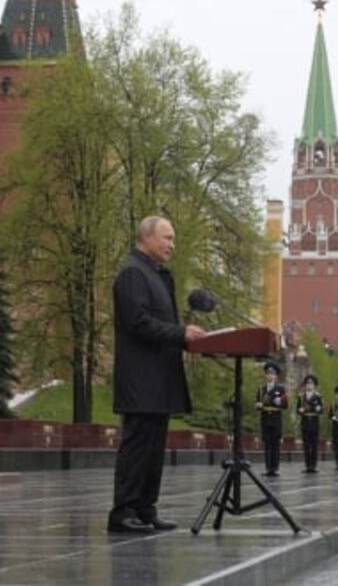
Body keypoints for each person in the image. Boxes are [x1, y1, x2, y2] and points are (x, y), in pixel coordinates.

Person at [109, 216, 206, 534]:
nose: (172, 245)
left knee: (153, 448)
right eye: (167, 237)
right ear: (146, 237)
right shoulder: (133, 273)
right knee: (138, 446)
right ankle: (123, 511)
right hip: (140, 378)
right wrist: (181, 333)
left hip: (159, 377)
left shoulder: (157, 275)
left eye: (173, 238)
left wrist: (184, 335)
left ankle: (145, 508)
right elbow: (138, 322)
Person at [255, 361, 288, 477]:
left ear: (276, 376)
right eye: (268, 373)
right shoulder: (261, 389)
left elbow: (285, 404)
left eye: (272, 374)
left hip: (275, 417)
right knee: (267, 443)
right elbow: (258, 402)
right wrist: (258, 406)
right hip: (265, 418)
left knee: (275, 443)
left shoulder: (281, 389)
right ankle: (268, 467)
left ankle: (275, 467)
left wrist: (280, 402)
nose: (270, 376)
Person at [296, 374, 323, 474]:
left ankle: (313, 465)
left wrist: (317, 409)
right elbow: (297, 410)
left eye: (311, 383)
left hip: (314, 421)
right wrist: (300, 410)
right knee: (306, 444)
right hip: (305, 421)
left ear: (314, 385)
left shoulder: (318, 396)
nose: (309, 385)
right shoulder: (301, 397)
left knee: (314, 444)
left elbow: (321, 410)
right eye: (307, 383)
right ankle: (308, 465)